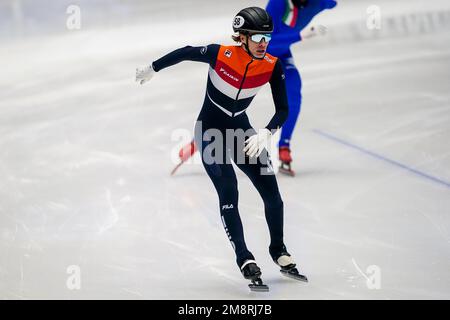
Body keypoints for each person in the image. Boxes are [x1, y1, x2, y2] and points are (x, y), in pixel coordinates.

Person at [136, 7, 307, 290]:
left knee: (272, 195)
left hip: (244, 133)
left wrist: (267, 132)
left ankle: (278, 249)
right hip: (209, 132)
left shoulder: (272, 65)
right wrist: (153, 68)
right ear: (242, 37)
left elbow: (283, 109)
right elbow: (186, 52)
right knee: (229, 190)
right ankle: (244, 257)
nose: (264, 42)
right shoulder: (221, 54)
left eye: (267, 36)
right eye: (257, 37)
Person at [266, 0, 338, 175]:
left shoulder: (318, 3)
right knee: (236, 100)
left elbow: (332, 3)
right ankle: (200, 140)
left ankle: (284, 145)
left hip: (282, 55)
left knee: (294, 93)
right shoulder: (277, 4)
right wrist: (301, 35)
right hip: (259, 54)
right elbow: (267, 41)